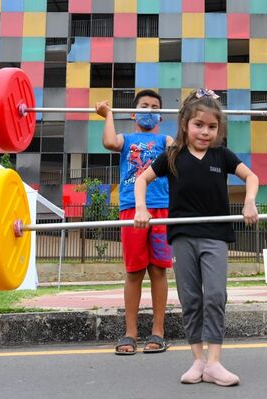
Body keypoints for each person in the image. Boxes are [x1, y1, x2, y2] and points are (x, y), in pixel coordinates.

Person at [134, 89, 259, 387]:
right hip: (182, 236)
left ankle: (215, 362)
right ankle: (198, 361)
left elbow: (251, 177)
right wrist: (141, 207)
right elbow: (142, 179)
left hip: (214, 236)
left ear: (218, 129)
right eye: (198, 125)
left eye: (212, 127)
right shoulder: (173, 155)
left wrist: (249, 201)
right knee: (191, 299)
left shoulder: (222, 155)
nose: (205, 132)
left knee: (215, 296)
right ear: (185, 125)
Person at [95, 90, 174, 355]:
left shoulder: (165, 139)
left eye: (154, 107)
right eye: (144, 106)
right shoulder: (126, 139)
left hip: (161, 209)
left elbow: (187, 146)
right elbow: (108, 141)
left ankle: (158, 332)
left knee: (158, 270)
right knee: (133, 272)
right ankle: (130, 333)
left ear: (161, 116)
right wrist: (108, 115)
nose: (149, 110)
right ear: (133, 114)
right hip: (131, 209)